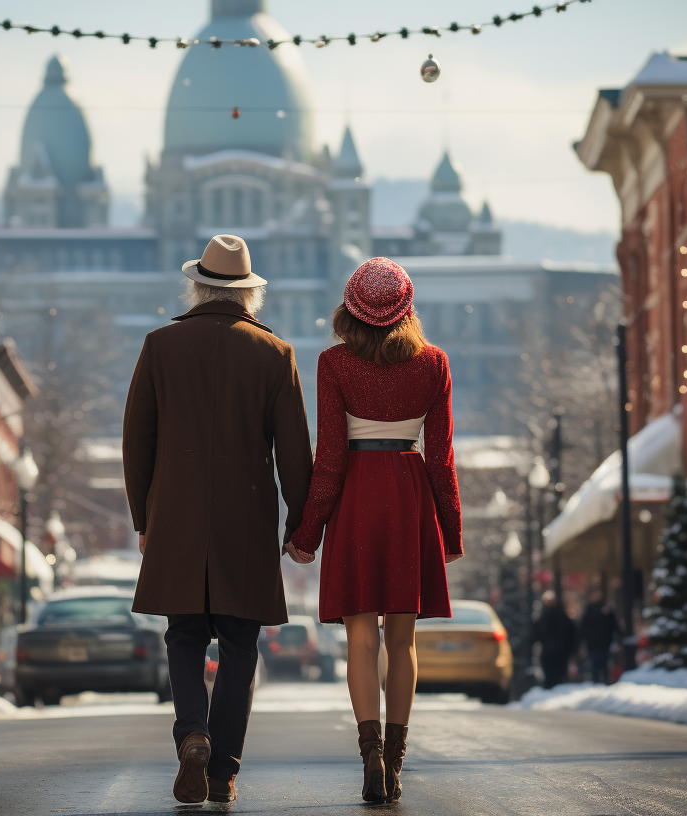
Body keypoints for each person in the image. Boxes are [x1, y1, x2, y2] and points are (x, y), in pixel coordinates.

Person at [124, 234, 313, 806]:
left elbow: (137, 440)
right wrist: (300, 524)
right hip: (245, 517)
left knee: (183, 634)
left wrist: (143, 515)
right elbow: (294, 452)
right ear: (250, 294)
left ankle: (193, 734)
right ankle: (223, 769)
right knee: (238, 642)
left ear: (197, 286)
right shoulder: (275, 354)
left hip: (176, 512)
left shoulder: (160, 345)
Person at [287, 257, 463, 804]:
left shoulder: (333, 363)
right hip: (409, 497)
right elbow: (442, 458)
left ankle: (370, 756)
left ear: (351, 308)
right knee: (402, 641)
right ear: (406, 307)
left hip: (358, 496)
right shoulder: (433, 363)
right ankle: (397, 758)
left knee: (361, 639)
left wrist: (307, 531)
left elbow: (331, 458)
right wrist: (449, 530)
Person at [533, 591, 576, 689]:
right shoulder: (563, 616)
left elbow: (536, 635)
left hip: (551, 652)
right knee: (559, 678)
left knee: (551, 679)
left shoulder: (543, 617)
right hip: (560, 652)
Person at [579, 589, 621, 685]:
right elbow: (583, 627)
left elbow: (614, 625)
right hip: (597, 644)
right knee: (598, 664)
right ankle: (600, 682)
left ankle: (601, 682)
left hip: (601, 643)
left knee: (601, 664)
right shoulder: (591, 609)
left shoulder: (605, 609)